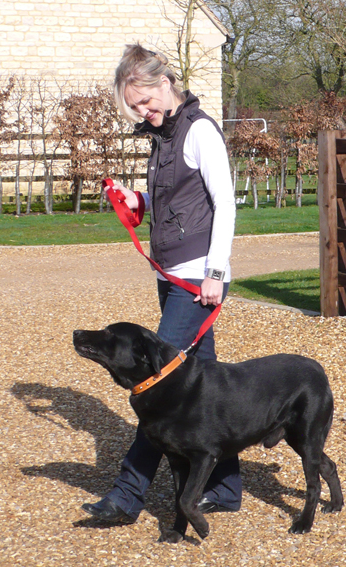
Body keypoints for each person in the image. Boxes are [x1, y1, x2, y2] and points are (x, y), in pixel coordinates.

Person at [81, 44, 241, 524]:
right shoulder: (164, 136)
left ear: (165, 84)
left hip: (197, 278)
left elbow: (225, 203)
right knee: (202, 384)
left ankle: (126, 496)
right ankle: (226, 488)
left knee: (158, 386)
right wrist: (138, 199)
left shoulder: (199, 131)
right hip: (171, 274)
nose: (143, 113)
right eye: (135, 108)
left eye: (146, 103)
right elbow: (177, 196)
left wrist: (216, 272)